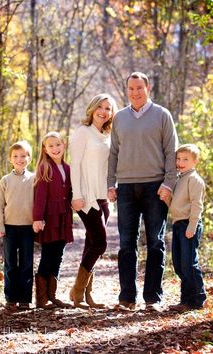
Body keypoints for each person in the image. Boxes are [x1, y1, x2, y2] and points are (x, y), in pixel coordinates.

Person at [108, 72, 178, 311]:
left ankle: (153, 298)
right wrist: (111, 183)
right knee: (126, 244)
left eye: (139, 87)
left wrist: (169, 183)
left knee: (155, 242)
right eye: (131, 88)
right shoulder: (119, 118)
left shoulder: (161, 115)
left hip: (155, 186)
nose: (135, 92)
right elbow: (113, 153)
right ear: (127, 90)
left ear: (147, 88)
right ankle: (127, 297)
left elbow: (171, 151)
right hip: (126, 187)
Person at [69, 93, 118, 309]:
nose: (104, 111)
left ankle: (87, 295)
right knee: (100, 243)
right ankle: (77, 291)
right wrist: (76, 195)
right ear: (92, 108)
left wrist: (111, 188)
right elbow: (75, 165)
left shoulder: (108, 135)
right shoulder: (82, 132)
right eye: (100, 106)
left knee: (92, 243)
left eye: (108, 108)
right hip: (86, 196)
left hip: (103, 197)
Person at [33, 131, 73, 309]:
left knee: (58, 254)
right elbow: (40, 196)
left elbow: (70, 192)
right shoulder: (45, 167)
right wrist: (38, 218)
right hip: (49, 217)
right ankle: (41, 299)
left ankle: (52, 295)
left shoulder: (68, 168)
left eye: (58, 144)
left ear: (64, 145)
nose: (55, 148)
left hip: (64, 216)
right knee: (48, 254)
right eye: (50, 146)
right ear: (44, 149)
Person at [0, 140, 35, 311]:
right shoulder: (4, 181)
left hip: (28, 227)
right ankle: (11, 298)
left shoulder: (34, 179)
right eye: (16, 156)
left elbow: (39, 204)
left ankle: (25, 299)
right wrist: (0, 226)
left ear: (29, 158)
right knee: (11, 263)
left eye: (23, 156)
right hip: (9, 227)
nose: (20, 159)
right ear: (10, 159)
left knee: (26, 263)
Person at [168, 144, 207, 311]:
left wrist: (192, 226)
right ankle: (186, 299)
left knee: (189, 264)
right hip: (178, 224)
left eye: (185, 159)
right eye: (178, 158)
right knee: (179, 264)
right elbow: (175, 205)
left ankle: (197, 299)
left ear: (195, 161)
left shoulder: (194, 179)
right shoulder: (180, 179)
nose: (180, 162)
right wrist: (166, 199)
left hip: (188, 225)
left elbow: (196, 205)